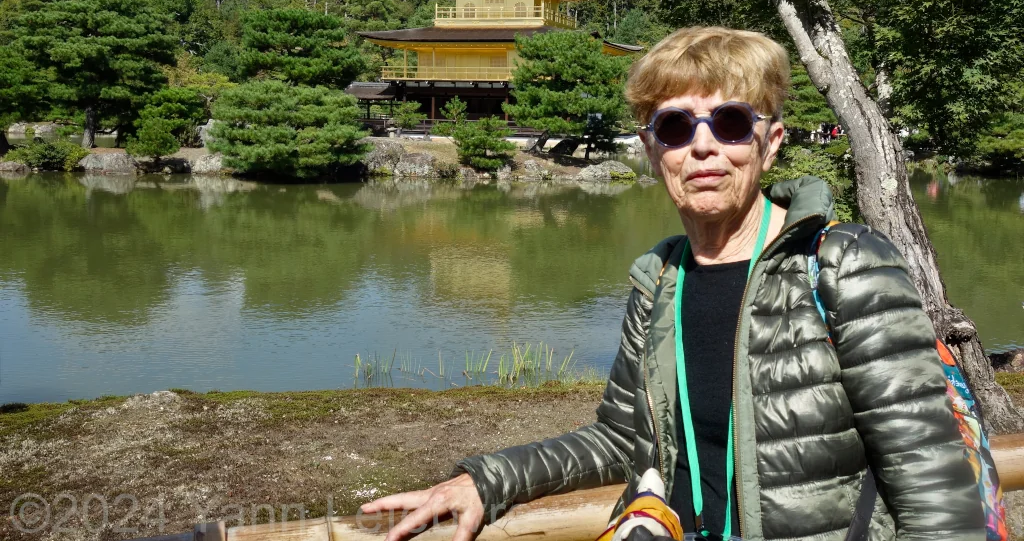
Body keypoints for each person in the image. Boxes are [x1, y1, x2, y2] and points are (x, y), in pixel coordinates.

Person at [362, 27, 985, 541]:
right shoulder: (661, 280)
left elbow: (932, 484)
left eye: (733, 122)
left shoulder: (843, 264)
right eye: (677, 127)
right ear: (650, 148)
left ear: (771, 144)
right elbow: (623, 436)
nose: (704, 148)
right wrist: (485, 480)